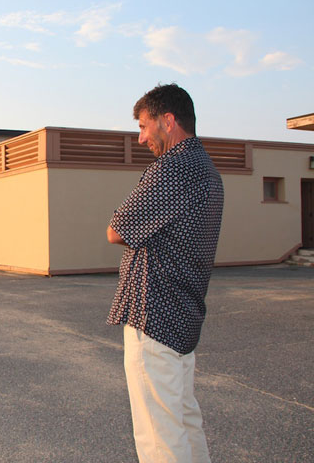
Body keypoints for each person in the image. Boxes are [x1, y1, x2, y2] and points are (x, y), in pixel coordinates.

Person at [106, 84, 224, 463]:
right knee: (184, 422)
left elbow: (117, 229)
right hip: (181, 317)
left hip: (153, 317)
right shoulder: (206, 169)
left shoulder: (173, 167)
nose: (141, 137)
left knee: (160, 436)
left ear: (167, 121)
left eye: (143, 126)